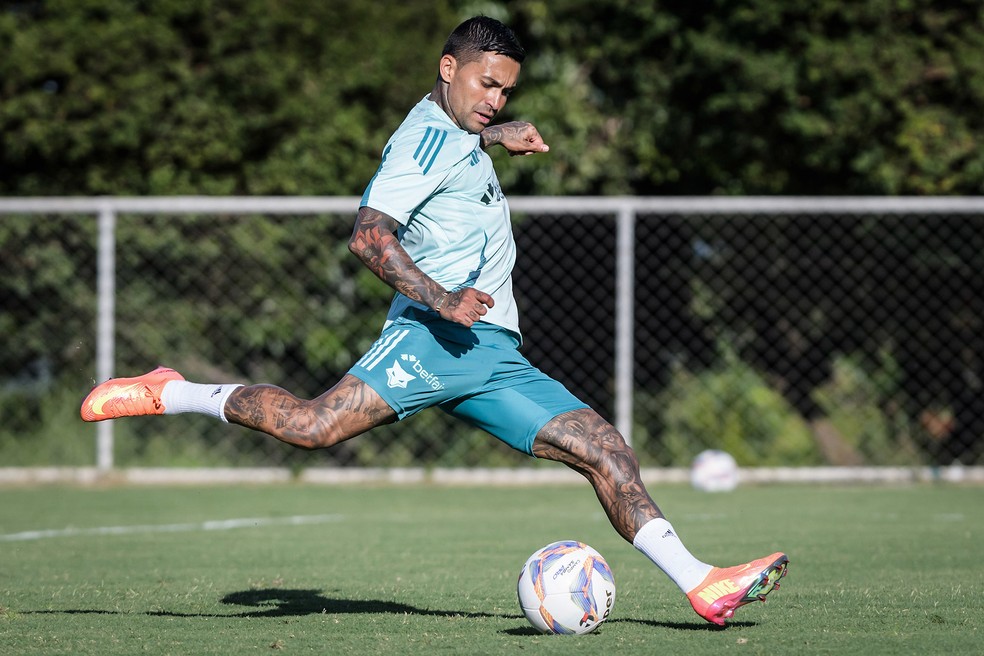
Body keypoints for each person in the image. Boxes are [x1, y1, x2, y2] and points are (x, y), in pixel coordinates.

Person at [81, 16, 787, 626]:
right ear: (449, 69)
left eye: (506, 91)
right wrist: (440, 299)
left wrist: (496, 134)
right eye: (486, 85)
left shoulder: (457, 131)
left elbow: (456, 150)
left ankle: (701, 583)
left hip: (493, 354)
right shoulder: (420, 140)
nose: (495, 99)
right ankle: (171, 390)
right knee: (312, 426)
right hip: (435, 338)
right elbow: (368, 235)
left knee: (607, 450)